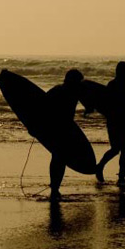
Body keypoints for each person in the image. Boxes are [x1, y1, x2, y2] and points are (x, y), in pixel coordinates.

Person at [46, 69, 85, 200]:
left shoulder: (74, 92)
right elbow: (42, 106)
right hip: (57, 128)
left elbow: (88, 103)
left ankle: (55, 187)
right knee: (59, 158)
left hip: (64, 128)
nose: (80, 84)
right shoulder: (59, 90)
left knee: (59, 158)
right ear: (71, 80)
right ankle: (55, 188)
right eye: (78, 81)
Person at [95, 62, 125, 185]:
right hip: (118, 122)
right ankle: (102, 167)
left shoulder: (116, 85)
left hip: (119, 121)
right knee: (118, 149)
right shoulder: (118, 85)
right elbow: (120, 103)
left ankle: (120, 176)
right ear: (122, 72)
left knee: (121, 150)